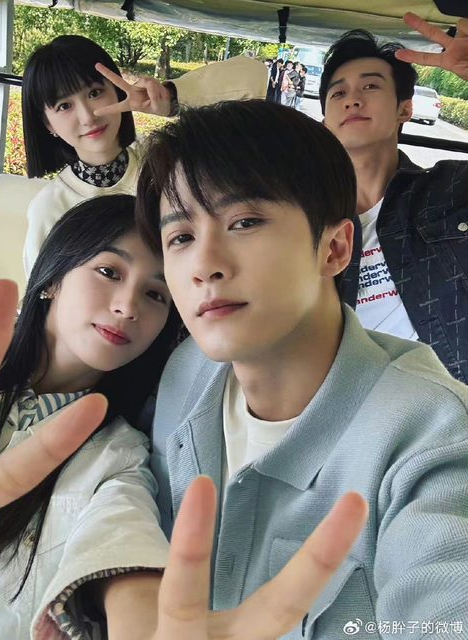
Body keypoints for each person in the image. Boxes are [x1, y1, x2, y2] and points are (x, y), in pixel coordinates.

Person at [102, 99, 468, 639]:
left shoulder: (432, 436)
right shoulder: (187, 373)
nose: (204, 265)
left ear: (335, 248)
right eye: (181, 237)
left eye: (245, 222)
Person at [0, 194, 183, 639]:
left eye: (155, 294)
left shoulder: (119, 456)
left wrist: (139, 610)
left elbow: (122, 537)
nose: (128, 306)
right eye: (109, 272)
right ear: (53, 278)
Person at [22, 35, 267, 275]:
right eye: (64, 106)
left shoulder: (162, 156)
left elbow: (254, 75)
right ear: (47, 124)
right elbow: (41, 293)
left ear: (116, 90)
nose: (88, 116)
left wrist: (171, 98)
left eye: (95, 93)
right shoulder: (51, 208)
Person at [319, 12, 468, 382]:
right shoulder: (300, 218)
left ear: (405, 108)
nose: (352, 100)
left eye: (370, 86)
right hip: (347, 404)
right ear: (324, 119)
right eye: (338, 93)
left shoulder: (453, 187)